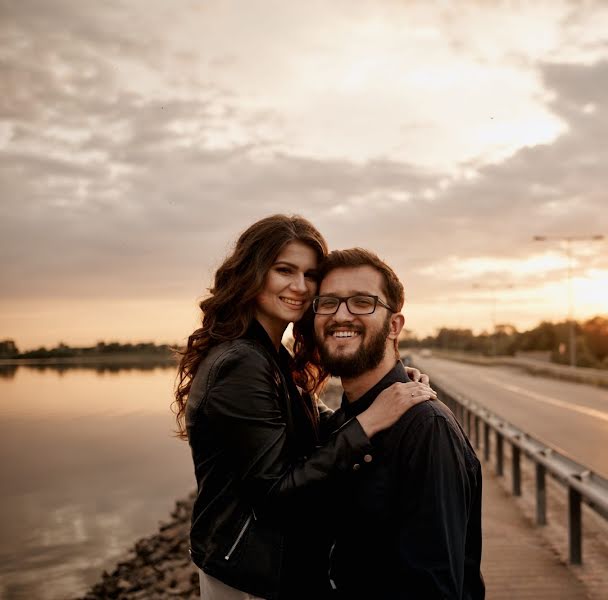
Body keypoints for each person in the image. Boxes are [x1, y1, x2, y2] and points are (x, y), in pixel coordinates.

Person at [173, 215, 436, 599]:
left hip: (266, 566)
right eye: (284, 270)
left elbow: (317, 429)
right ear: (253, 272)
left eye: (310, 275)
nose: (299, 287)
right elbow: (275, 492)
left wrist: (388, 389)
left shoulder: (269, 354)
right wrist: (371, 420)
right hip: (248, 574)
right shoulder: (241, 362)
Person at [312, 248, 485, 600]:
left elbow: (433, 588)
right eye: (328, 302)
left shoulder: (426, 428)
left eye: (362, 302)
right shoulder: (346, 420)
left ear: (394, 325)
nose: (340, 315)